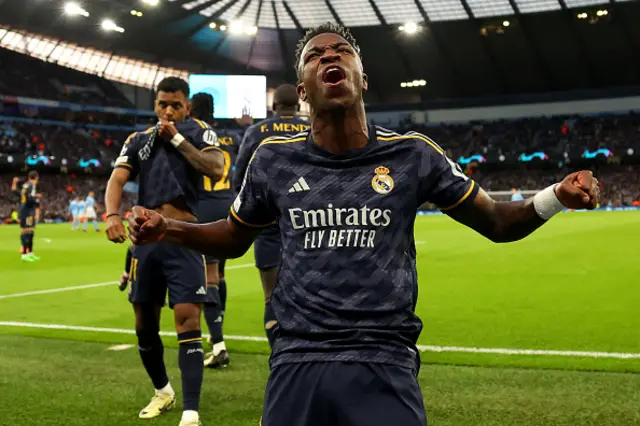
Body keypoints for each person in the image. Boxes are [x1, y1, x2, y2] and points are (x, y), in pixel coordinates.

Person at [126, 23, 600, 426]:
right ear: (305, 89)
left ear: (362, 78)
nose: (330, 56)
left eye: (342, 51)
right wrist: (167, 229)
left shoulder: (414, 154)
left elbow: (498, 221)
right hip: (297, 360)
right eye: (315, 55)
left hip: (384, 360)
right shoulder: (273, 162)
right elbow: (232, 238)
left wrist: (555, 196)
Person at [105, 76, 225, 426]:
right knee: (144, 325)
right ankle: (162, 391)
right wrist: (113, 214)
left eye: (175, 104)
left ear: (187, 106)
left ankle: (191, 410)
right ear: (154, 104)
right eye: (162, 104)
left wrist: (176, 138)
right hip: (146, 242)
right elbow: (116, 179)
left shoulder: (200, 131)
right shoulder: (137, 139)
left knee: (187, 320)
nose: (168, 110)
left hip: (184, 238)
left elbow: (215, 167)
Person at [234, 84, 310, 347]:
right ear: (298, 106)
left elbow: (240, 176)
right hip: (310, 222)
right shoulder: (314, 129)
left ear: (274, 107)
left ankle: (280, 358)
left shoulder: (257, 132)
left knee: (271, 297)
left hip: (268, 222)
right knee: (311, 292)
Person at [190, 92, 241, 368]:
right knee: (219, 273)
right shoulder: (230, 137)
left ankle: (218, 343)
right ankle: (217, 329)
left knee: (207, 275)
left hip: (205, 207)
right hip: (229, 205)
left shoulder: (194, 134)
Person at [12, 171, 41, 262]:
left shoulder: (25, 185)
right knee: (27, 233)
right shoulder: (32, 186)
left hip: (25, 210)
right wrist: (36, 200)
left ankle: (30, 253)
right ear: (36, 177)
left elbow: (17, 193)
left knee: (30, 232)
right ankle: (24, 254)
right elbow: (29, 199)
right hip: (27, 211)